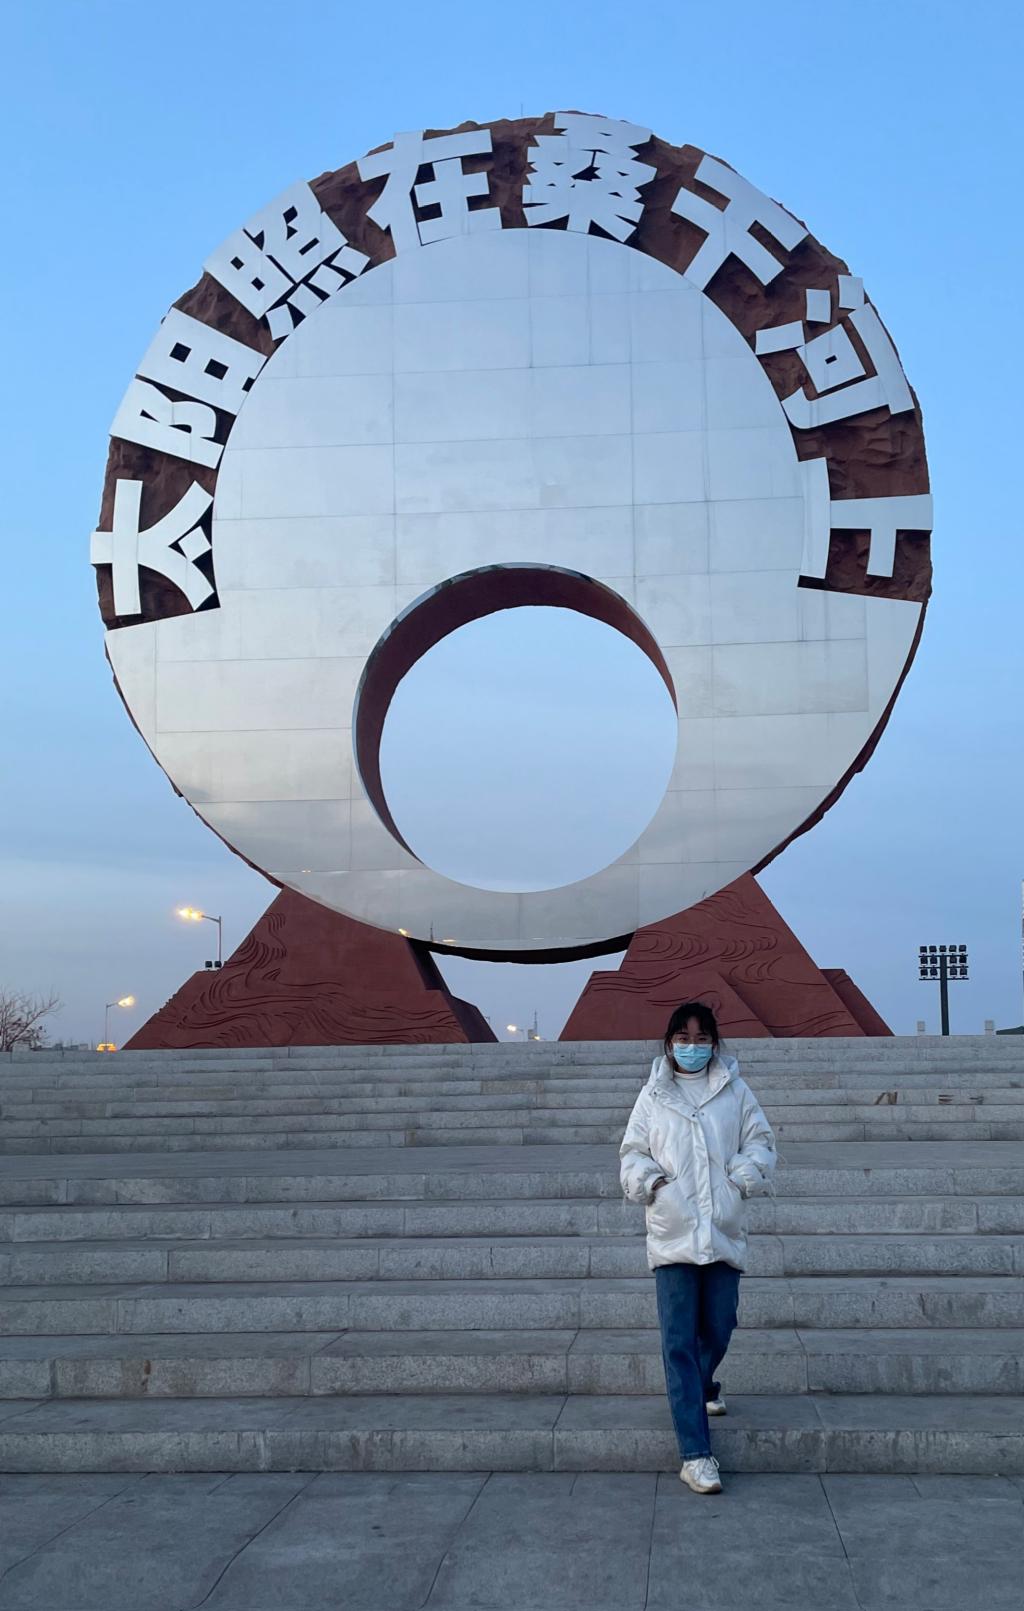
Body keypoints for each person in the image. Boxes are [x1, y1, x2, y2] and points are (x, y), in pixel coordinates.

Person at [619, 1001, 776, 1494]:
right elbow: (633, 1152)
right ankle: (695, 1453)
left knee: (720, 1324)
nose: (692, 1046)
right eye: (683, 1038)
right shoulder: (653, 1094)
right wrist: (652, 1184)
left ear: (714, 1042)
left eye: (701, 1037)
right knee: (678, 1343)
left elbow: (761, 1141)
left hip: (722, 1226)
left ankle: (705, 1385)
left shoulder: (735, 1089)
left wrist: (741, 1177)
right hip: (673, 1230)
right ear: (669, 1043)